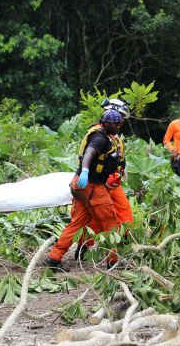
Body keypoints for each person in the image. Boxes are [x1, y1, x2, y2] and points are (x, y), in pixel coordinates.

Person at [44, 109, 122, 272]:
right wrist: (85, 170)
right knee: (109, 221)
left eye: (119, 122)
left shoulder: (103, 135)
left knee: (77, 223)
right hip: (90, 185)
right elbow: (89, 153)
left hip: (79, 185)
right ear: (106, 123)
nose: (118, 126)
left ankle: (53, 258)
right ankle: (113, 260)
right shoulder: (100, 138)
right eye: (115, 123)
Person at [74, 98, 134, 269]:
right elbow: (90, 155)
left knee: (124, 213)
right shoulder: (98, 133)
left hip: (113, 182)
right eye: (120, 117)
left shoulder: (114, 133)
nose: (121, 121)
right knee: (100, 219)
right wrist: (86, 172)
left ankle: (123, 246)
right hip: (99, 182)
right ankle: (87, 248)